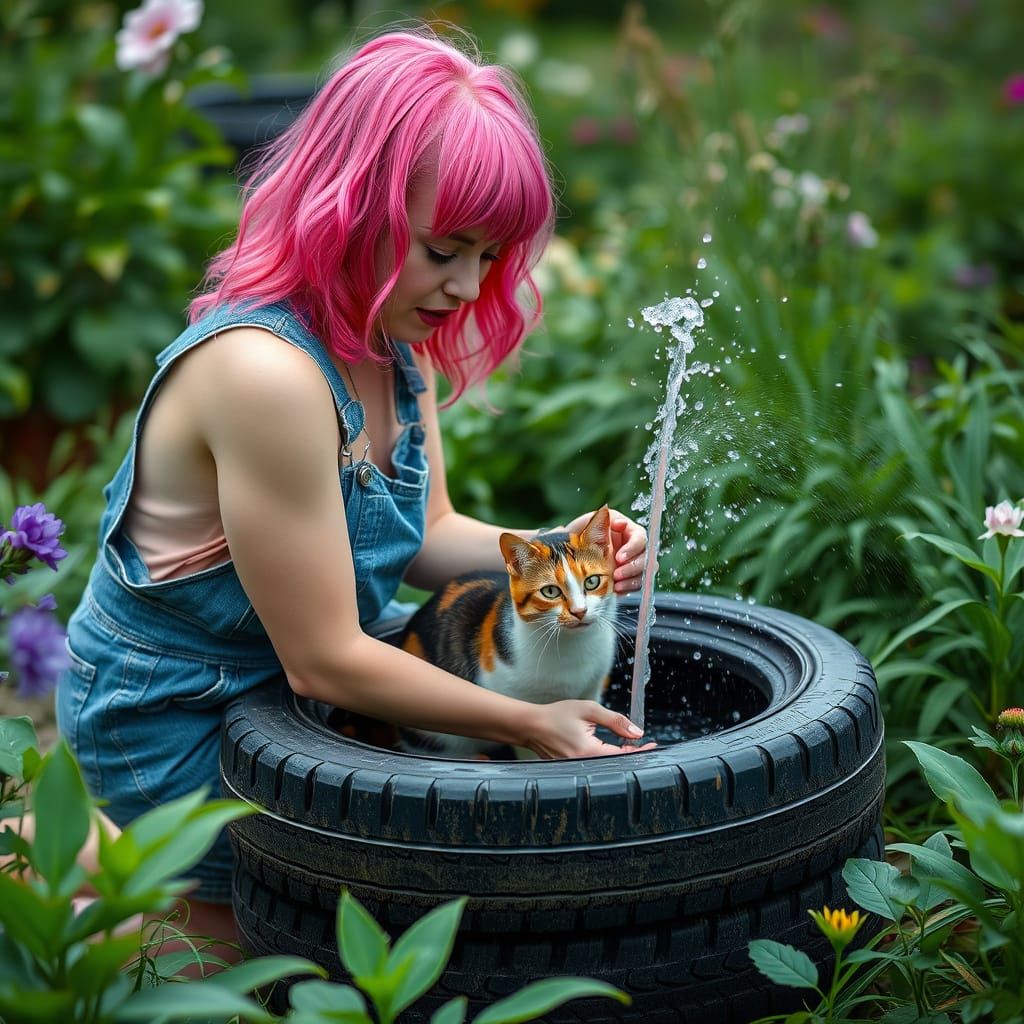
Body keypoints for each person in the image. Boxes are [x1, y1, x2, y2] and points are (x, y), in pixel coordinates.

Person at [56, 29, 650, 957]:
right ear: (352, 205)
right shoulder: (267, 376)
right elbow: (326, 659)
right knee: (255, 955)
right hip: (178, 703)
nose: (466, 287)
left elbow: (430, 532)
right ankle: (64, 858)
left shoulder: (390, 344)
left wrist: (558, 545)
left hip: (284, 681)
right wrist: (531, 721)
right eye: (446, 249)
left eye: (490, 258)